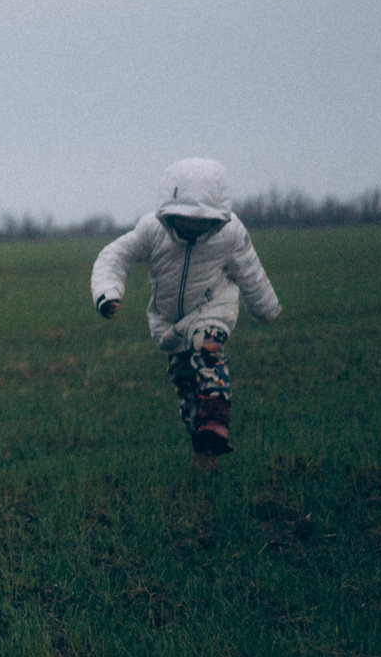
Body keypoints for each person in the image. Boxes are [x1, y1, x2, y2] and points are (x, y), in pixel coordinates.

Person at [90, 158, 284, 463]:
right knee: (185, 384)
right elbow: (115, 257)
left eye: (202, 219)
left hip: (213, 308)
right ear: (170, 214)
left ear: (216, 218)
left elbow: (250, 271)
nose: (194, 225)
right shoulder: (151, 231)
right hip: (170, 325)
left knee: (206, 348)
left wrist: (266, 308)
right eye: (185, 218)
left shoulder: (230, 233)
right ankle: (203, 448)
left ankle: (218, 419)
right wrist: (107, 293)